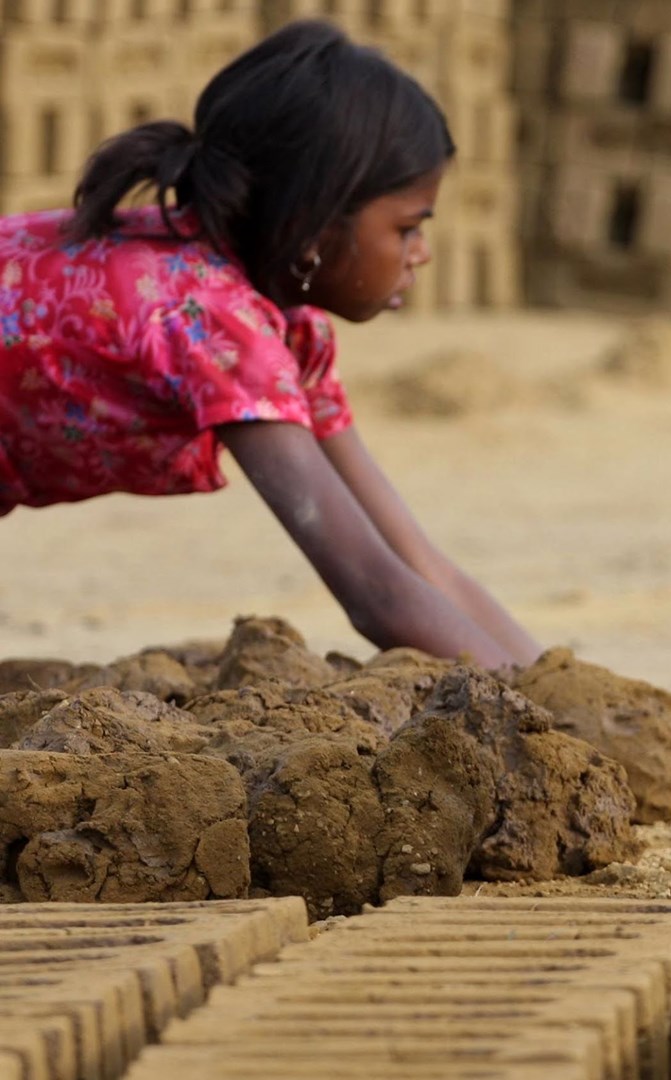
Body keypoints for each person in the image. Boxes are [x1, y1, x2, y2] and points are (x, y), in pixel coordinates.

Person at [0, 21, 539, 669]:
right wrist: (538, 726)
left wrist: (567, 697)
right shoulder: (211, 320)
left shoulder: (283, 332)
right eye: (407, 227)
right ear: (312, 224)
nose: (421, 254)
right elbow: (375, 592)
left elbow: (418, 565)